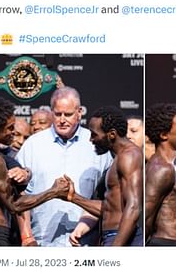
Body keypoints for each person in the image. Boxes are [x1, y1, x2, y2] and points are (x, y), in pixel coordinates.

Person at [16, 86, 112, 246]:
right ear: (51, 111)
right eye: (57, 114)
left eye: (68, 114)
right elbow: (20, 193)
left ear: (79, 112)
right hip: (41, 243)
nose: (62, 120)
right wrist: (27, 237)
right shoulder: (33, 144)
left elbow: (108, 199)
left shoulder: (97, 144)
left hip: (85, 245)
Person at [0, 97, 68, 246]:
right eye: (10, 128)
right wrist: (54, 192)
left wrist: (26, 173)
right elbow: (15, 205)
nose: (13, 132)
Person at [57, 106, 143, 246]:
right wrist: (74, 197)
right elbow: (110, 208)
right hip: (113, 236)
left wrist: (115, 248)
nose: (91, 139)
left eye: (94, 134)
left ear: (112, 134)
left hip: (123, 238)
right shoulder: (118, 159)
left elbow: (133, 207)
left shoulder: (129, 156)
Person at [145, 103, 176, 246]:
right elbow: (145, 217)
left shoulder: (168, 165)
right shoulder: (161, 168)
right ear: (164, 135)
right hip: (166, 244)